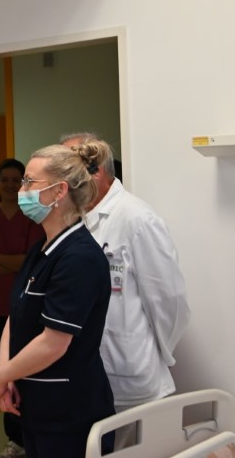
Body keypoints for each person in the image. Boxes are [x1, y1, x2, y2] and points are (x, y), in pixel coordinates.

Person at [0, 143, 114, 458]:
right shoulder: (41, 250)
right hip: (35, 405)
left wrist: (0, 376)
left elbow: (53, 342)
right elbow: (15, 316)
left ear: (59, 191)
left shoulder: (79, 257)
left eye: (29, 182)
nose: (21, 190)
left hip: (68, 412)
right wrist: (8, 373)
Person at [59, 133, 190, 412]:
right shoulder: (71, 218)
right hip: (87, 376)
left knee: (131, 441)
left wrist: (153, 353)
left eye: (66, 169)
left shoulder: (137, 218)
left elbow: (169, 301)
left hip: (131, 376)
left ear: (95, 170)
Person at [0, 158, 45, 458]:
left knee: (28, 371)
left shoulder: (33, 218)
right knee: (3, 372)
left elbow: (30, 261)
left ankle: (32, 432)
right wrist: (14, 262)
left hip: (28, 308)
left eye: (17, 179)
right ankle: (14, 438)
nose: (10, 184)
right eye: (5, 179)